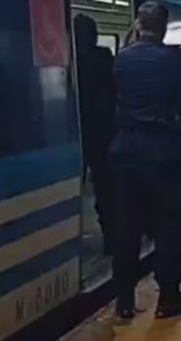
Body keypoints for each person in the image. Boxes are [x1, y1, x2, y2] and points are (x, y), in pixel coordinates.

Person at [110, 1, 181, 320]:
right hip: (166, 155)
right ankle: (169, 297)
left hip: (127, 154)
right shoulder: (176, 58)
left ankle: (124, 300)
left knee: (127, 227)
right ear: (164, 28)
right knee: (169, 227)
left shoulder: (121, 59)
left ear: (138, 24)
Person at [73, 14, 117, 255]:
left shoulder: (71, 59)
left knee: (82, 187)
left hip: (78, 133)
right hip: (104, 132)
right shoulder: (104, 58)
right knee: (106, 189)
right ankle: (111, 238)